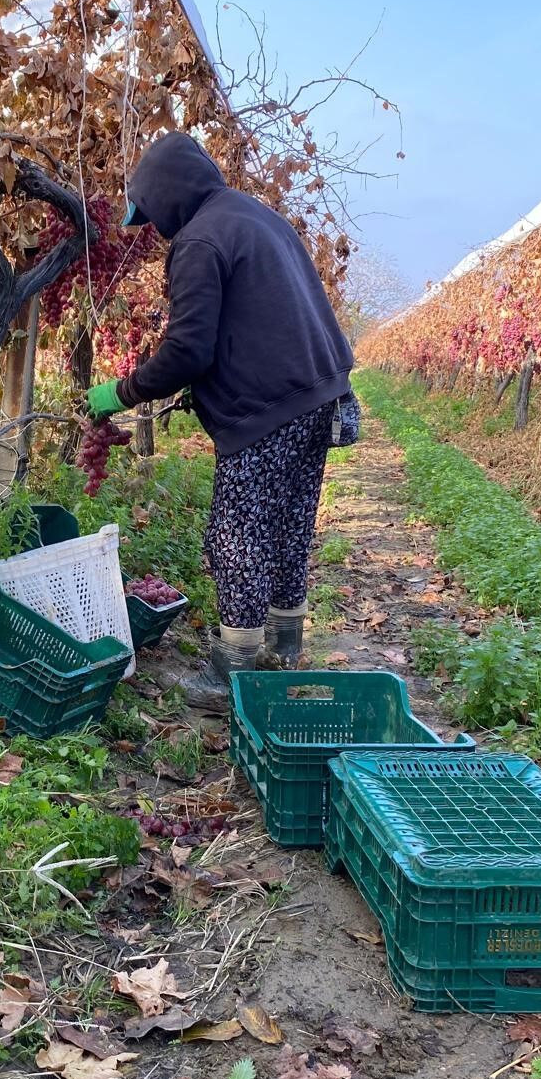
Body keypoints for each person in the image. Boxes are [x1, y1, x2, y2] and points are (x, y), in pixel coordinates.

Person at [86, 131, 354, 703]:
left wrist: (122, 392)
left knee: (235, 537)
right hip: (318, 395)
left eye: (152, 216)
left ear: (168, 196)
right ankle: (282, 649)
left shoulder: (200, 240)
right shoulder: (255, 216)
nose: (154, 230)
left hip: (268, 407)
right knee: (286, 525)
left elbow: (189, 350)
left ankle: (231, 672)